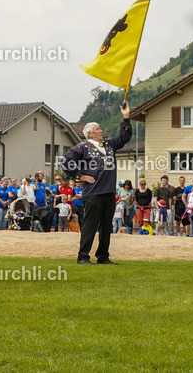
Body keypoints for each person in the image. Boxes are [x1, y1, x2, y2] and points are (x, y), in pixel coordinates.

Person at [58, 101, 132, 265]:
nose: (101, 131)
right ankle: (83, 256)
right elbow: (65, 161)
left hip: (108, 192)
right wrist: (80, 176)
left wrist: (126, 118)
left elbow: (124, 137)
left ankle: (103, 256)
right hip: (93, 193)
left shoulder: (109, 145)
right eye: (98, 129)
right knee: (90, 225)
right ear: (90, 134)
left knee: (106, 226)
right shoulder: (82, 147)